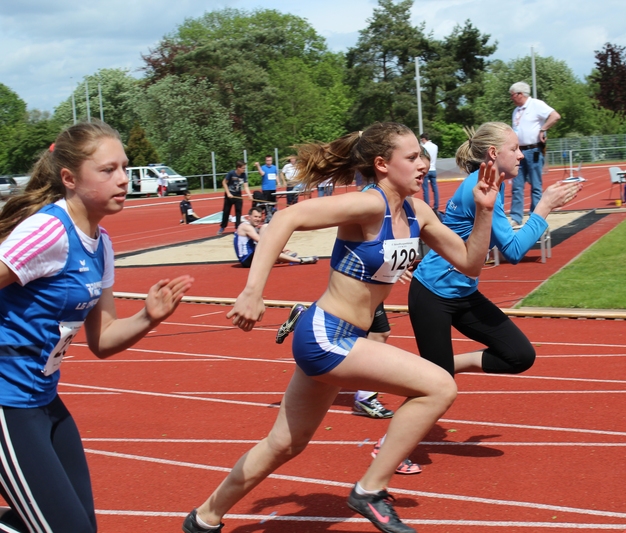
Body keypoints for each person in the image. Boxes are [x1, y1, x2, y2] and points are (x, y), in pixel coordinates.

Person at [182, 122, 500, 533]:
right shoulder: (369, 205)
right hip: (327, 335)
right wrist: (252, 291)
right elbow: (285, 218)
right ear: (382, 164)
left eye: (422, 156)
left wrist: (484, 210)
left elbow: (470, 263)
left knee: (285, 444)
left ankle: (204, 518)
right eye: (412, 157)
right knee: (439, 386)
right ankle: (371, 489)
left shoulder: (417, 212)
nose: (423, 164)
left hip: (343, 339)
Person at [0, 121, 193, 533]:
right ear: (69, 178)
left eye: (124, 167)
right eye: (107, 170)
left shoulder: (100, 243)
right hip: (6, 402)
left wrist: (148, 317)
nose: (123, 179)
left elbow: (102, 340)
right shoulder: (49, 231)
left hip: (42, 400)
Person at [409, 121, 578, 380]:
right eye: (515, 149)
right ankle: (432, 369)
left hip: (464, 292)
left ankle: (445, 364)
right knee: (436, 386)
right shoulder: (479, 189)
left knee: (519, 355)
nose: (521, 155)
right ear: (493, 153)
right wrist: (544, 206)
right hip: (432, 293)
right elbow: (512, 251)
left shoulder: (490, 186)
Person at [509, 81, 561, 228]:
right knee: (517, 186)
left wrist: (543, 129)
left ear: (520, 94)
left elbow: (555, 116)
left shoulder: (536, 104)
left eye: (512, 95)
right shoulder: (516, 111)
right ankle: (516, 217)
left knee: (535, 185)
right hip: (519, 151)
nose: (511, 98)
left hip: (534, 150)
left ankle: (535, 217)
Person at [234, 207, 317, 267]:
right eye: (255, 217)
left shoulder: (251, 227)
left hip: (252, 256)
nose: (258, 219)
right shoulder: (246, 227)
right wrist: (280, 249)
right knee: (267, 249)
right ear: (249, 217)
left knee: (265, 227)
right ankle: (300, 260)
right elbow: (261, 241)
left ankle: (280, 258)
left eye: (259, 217)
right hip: (246, 260)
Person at [218, 161, 251, 235]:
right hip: (229, 195)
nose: (244, 169)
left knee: (238, 211)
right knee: (226, 211)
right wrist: (228, 193)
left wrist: (249, 195)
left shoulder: (244, 175)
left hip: (238, 195)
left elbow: (245, 186)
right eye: (243, 168)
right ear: (238, 168)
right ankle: (222, 227)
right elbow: (224, 183)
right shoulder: (231, 173)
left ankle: (237, 227)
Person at [419, 132, 439, 211]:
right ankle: (436, 206)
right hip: (433, 169)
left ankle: (427, 206)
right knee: (435, 188)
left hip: (426, 169)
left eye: (421, 140)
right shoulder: (435, 146)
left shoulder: (423, 147)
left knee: (425, 189)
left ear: (423, 139)